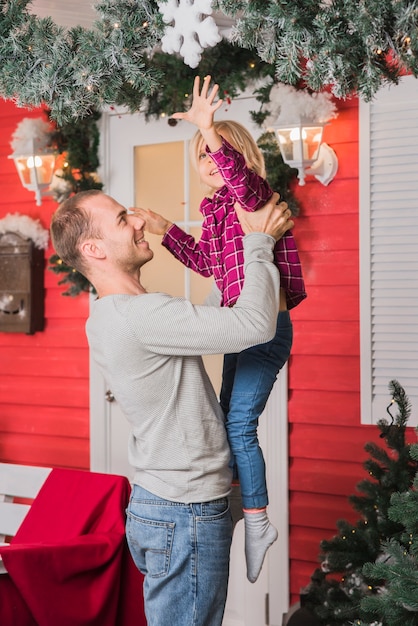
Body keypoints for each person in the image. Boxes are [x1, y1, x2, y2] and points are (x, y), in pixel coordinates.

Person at [50, 188, 293, 626]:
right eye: (124, 219)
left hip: (165, 505)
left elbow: (201, 324)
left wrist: (224, 268)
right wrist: (258, 243)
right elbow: (254, 326)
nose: (140, 221)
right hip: (185, 513)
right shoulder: (139, 315)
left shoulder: (113, 315)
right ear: (94, 249)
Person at [134, 75, 307, 583]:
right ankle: (242, 508)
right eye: (204, 158)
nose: (212, 163)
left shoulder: (254, 197)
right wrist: (167, 231)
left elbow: (240, 179)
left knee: (237, 427)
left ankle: (257, 522)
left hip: (266, 328)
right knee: (229, 421)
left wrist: (210, 128)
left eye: (220, 155)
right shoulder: (214, 211)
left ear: (242, 157)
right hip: (240, 328)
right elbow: (210, 265)